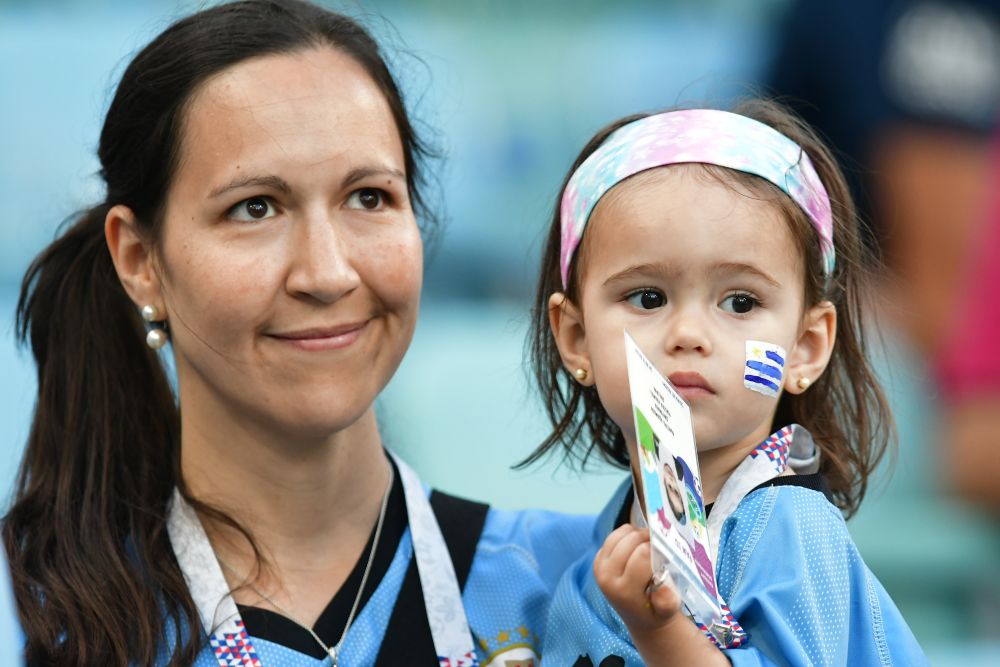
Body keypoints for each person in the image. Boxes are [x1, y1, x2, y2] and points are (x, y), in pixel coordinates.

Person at [3, 1, 591, 665]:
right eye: (255, 207)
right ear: (140, 261)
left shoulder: (584, 592)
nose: (328, 272)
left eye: (369, 196)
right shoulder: (37, 617)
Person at [525, 101, 928, 665]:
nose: (688, 334)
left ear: (805, 347)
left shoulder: (794, 528)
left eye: (740, 302)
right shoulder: (613, 527)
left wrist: (660, 630)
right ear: (576, 338)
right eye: (647, 298)